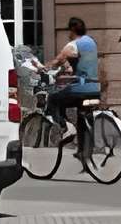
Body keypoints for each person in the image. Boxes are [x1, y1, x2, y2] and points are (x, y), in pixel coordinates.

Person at [42, 16, 101, 168]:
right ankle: (83, 151)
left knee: (54, 99)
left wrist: (43, 68)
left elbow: (58, 60)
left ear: (72, 30)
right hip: (95, 89)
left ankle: (65, 127)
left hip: (81, 89)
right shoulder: (92, 42)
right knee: (83, 115)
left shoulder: (73, 45)